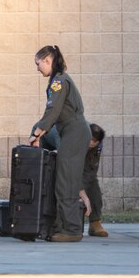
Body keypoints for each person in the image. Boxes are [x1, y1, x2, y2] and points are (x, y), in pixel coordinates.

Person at [29, 45, 90, 243]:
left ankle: (71, 230)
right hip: (71, 131)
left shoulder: (59, 81)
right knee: (64, 180)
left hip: (74, 132)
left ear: (48, 60)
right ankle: (63, 227)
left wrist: (37, 132)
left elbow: (53, 111)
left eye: (38, 64)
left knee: (67, 182)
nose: (38, 69)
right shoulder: (59, 79)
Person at [85, 124, 108, 238]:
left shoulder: (98, 146)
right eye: (90, 139)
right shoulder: (77, 138)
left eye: (95, 141)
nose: (91, 143)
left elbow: (92, 168)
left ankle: (95, 223)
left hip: (87, 171)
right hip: (69, 170)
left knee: (95, 191)